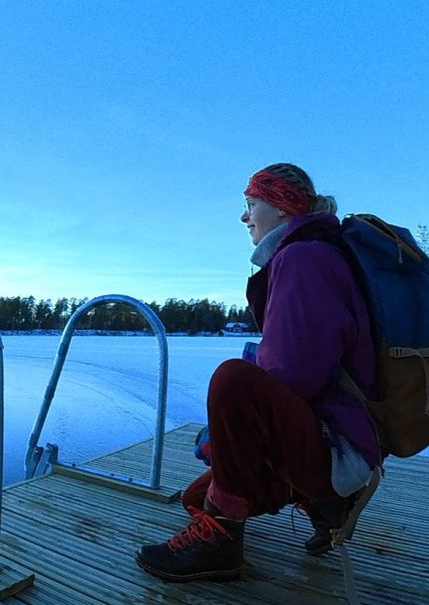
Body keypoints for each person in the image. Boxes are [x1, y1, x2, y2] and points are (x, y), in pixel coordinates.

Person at [135, 163, 381, 582]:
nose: (244, 216)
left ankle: (223, 542)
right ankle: (322, 504)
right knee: (198, 496)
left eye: (251, 204)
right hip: (334, 433)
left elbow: (294, 375)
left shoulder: (304, 257)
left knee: (233, 380)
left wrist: (232, 427)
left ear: (283, 208)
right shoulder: (312, 253)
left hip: (338, 444)